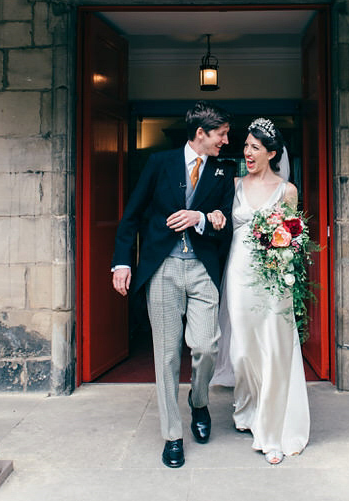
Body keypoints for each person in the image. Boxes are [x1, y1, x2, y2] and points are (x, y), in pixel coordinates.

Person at [111, 101, 235, 469]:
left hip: (202, 269)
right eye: (222, 134)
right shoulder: (158, 164)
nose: (226, 141)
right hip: (163, 269)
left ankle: (199, 401)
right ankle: (172, 434)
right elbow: (131, 214)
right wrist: (121, 262)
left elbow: (227, 223)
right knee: (165, 355)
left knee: (206, 345)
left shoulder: (222, 173)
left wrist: (202, 217)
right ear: (201, 134)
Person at [211, 117, 310, 465]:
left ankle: (271, 430)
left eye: (255, 147)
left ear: (271, 153)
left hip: (272, 278)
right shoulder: (234, 185)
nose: (247, 152)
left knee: (272, 347)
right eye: (246, 146)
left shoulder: (287, 191)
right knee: (241, 350)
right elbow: (217, 217)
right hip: (238, 276)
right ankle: (247, 407)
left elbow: (295, 239)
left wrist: (283, 250)